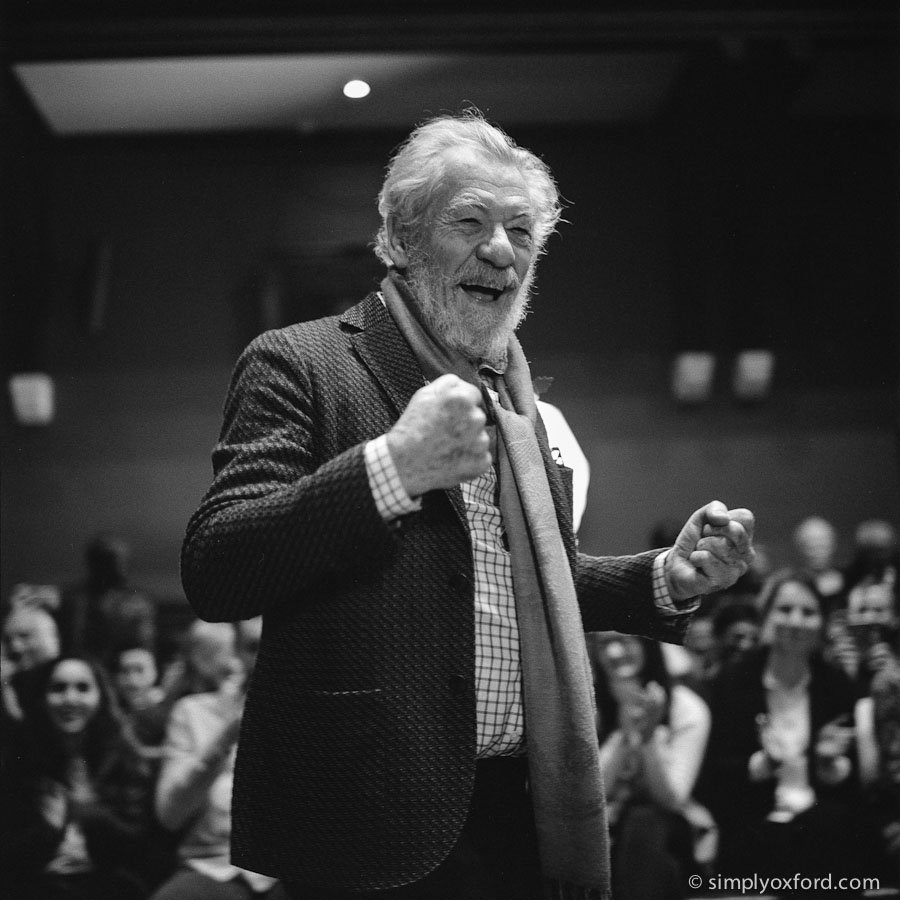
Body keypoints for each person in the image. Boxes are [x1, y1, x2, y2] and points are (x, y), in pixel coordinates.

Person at [181, 110, 756, 900]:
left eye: (521, 232)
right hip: (368, 812)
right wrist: (393, 467)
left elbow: (517, 585)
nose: (501, 250)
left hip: (520, 814)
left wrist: (668, 577)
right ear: (405, 238)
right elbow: (219, 566)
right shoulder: (302, 362)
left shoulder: (524, 408)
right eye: (472, 223)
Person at [697, 573, 863, 888]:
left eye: (808, 612)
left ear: (823, 623)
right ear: (767, 616)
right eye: (785, 609)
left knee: (829, 827)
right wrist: (763, 763)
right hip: (755, 820)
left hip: (820, 822)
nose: (796, 621)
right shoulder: (733, 683)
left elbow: (854, 785)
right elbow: (714, 776)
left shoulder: (837, 686)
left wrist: (829, 764)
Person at [1, 654, 169, 899]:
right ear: (42, 699)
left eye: (83, 688)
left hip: (107, 886)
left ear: (100, 697)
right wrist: (50, 830)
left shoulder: (124, 759)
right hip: (37, 886)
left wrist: (90, 814)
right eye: (58, 688)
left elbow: (142, 849)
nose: (70, 698)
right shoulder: (22, 761)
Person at [151, 617, 285, 900]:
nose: (268, 657)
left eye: (278, 646)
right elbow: (169, 815)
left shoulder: (309, 713)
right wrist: (227, 735)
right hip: (212, 867)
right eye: (255, 647)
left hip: (288, 871)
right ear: (235, 653)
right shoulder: (192, 711)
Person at [585, 632, 712, 900]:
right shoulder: (585, 705)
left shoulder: (687, 708)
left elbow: (671, 797)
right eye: (604, 643)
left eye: (626, 640)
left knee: (644, 820)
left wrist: (648, 736)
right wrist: (623, 735)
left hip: (665, 831)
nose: (615, 652)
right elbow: (589, 793)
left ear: (647, 642)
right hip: (599, 822)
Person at [57, 532, 156, 670]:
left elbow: (144, 648)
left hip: (123, 672)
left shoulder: (137, 602)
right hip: (82, 668)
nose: (120, 567)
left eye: (121, 561)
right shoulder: (75, 599)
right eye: (111, 560)